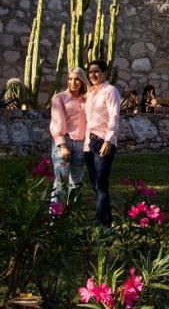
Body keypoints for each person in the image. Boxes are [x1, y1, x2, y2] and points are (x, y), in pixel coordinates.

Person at [83, 59, 121, 227]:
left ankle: (100, 224)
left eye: (97, 71)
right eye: (90, 72)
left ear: (105, 73)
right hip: (89, 142)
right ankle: (107, 222)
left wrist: (108, 140)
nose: (93, 74)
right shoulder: (90, 93)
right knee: (96, 186)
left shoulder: (110, 91)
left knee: (101, 184)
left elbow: (114, 116)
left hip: (103, 141)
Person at [49, 67, 88, 204]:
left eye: (77, 79)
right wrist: (63, 146)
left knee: (76, 182)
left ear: (83, 81)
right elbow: (57, 122)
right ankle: (54, 216)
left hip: (82, 143)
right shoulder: (59, 98)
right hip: (64, 142)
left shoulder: (87, 100)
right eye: (70, 79)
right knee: (61, 180)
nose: (73, 82)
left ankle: (73, 215)